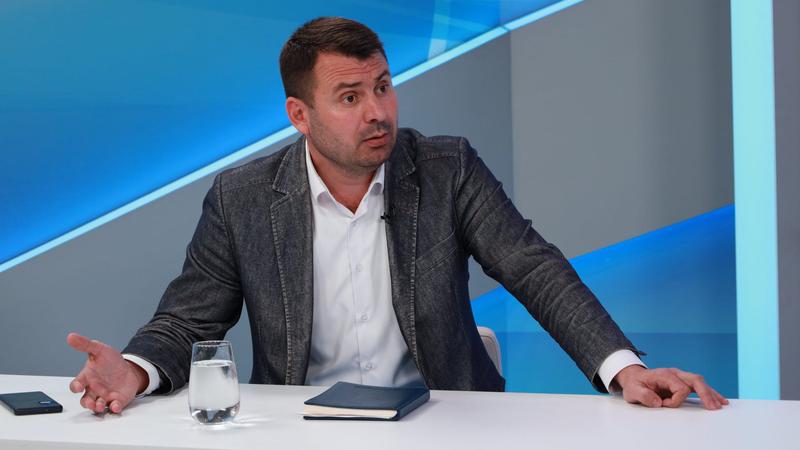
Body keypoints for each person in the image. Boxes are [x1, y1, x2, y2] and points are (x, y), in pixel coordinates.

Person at [67, 17, 728, 415]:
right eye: (349, 97)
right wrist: (135, 370)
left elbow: (533, 268)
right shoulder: (243, 197)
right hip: (303, 428)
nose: (378, 112)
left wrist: (623, 368)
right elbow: (190, 318)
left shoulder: (445, 168)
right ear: (300, 115)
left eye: (382, 86)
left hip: (443, 421)